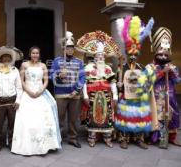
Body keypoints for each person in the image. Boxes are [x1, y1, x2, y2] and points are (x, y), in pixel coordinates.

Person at [11, 46, 61, 155]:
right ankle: (26, 146)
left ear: (39, 54)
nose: (35, 55)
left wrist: (40, 91)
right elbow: (21, 80)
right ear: (30, 54)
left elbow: (46, 81)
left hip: (40, 92)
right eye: (33, 53)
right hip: (27, 92)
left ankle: (45, 144)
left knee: (44, 117)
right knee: (27, 119)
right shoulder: (24, 65)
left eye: (37, 53)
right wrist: (28, 91)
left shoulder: (43, 65)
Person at [115, 16, 155, 149]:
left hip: (137, 98)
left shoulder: (141, 68)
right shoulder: (122, 68)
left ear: (137, 54)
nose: (132, 57)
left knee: (139, 118)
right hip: (125, 98)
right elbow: (116, 82)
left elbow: (146, 83)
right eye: (130, 54)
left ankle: (139, 139)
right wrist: (118, 85)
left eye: (135, 55)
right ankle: (124, 138)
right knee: (125, 117)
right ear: (127, 54)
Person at [76, 31, 120, 148]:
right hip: (92, 96)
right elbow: (84, 83)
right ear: (94, 57)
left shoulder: (108, 68)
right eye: (97, 56)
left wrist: (115, 96)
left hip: (106, 95)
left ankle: (107, 137)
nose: (100, 57)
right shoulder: (88, 67)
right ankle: (92, 137)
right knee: (92, 116)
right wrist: (84, 95)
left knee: (107, 116)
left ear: (104, 57)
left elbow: (113, 83)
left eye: (102, 56)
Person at [138, 27, 181, 147]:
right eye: (160, 52)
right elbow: (145, 83)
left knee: (173, 115)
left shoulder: (172, 66)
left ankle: (171, 137)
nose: (163, 55)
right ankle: (154, 136)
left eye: (165, 52)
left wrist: (172, 73)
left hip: (170, 96)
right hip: (155, 97)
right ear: (155, 51)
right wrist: (161, 73)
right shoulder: (149, 67)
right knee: (156, 115)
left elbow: (177, 80)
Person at [50, 31, 85, 148]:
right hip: (61, 94)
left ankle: (73, 138)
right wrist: (59, 74)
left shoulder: (79, 62)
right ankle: (58, 138)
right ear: (63, 49)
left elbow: (82, 77)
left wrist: (77, 90)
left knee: (73, 119)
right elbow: (51, 75)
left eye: (71, 48)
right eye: (67, 48)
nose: (69, 50)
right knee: (59, 117)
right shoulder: (56, 61)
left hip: (75, 94)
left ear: (73, 49)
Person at [0, 46, 23, 154]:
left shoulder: (14, 70)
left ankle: (13, 143)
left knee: (12, 124)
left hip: (12, 100)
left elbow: (19, 87)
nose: (7, 59)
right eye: (4, 57)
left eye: (9, 58)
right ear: (0, 58)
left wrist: (18, 101)